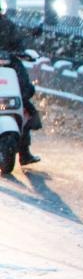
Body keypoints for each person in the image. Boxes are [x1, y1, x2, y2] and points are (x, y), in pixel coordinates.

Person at [0, 10, 40, 165]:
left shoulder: (7, 24)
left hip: (9, 68)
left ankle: (24, 151)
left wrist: (22, 51)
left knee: (23, 106)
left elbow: (18, 40)